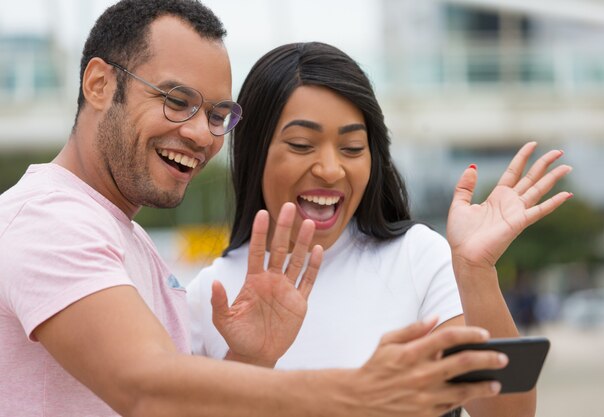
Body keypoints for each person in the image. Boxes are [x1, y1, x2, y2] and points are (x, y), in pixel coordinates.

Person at [0, 2, 508, 417]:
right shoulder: (49, 220)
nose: (200, 133)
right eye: (176, 100)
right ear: (98, 84)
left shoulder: (122, 236)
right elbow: (144, 389)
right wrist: (360, 392)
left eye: (217, 113)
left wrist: (250, 360)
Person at [188, 42, 573, 417]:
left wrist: (475, 271)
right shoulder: (211, 294)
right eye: (302, 144)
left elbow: (507, 413)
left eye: (352, 148)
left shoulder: (417, 256)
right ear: (254, 150)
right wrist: (251, 360)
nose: (330, 169)